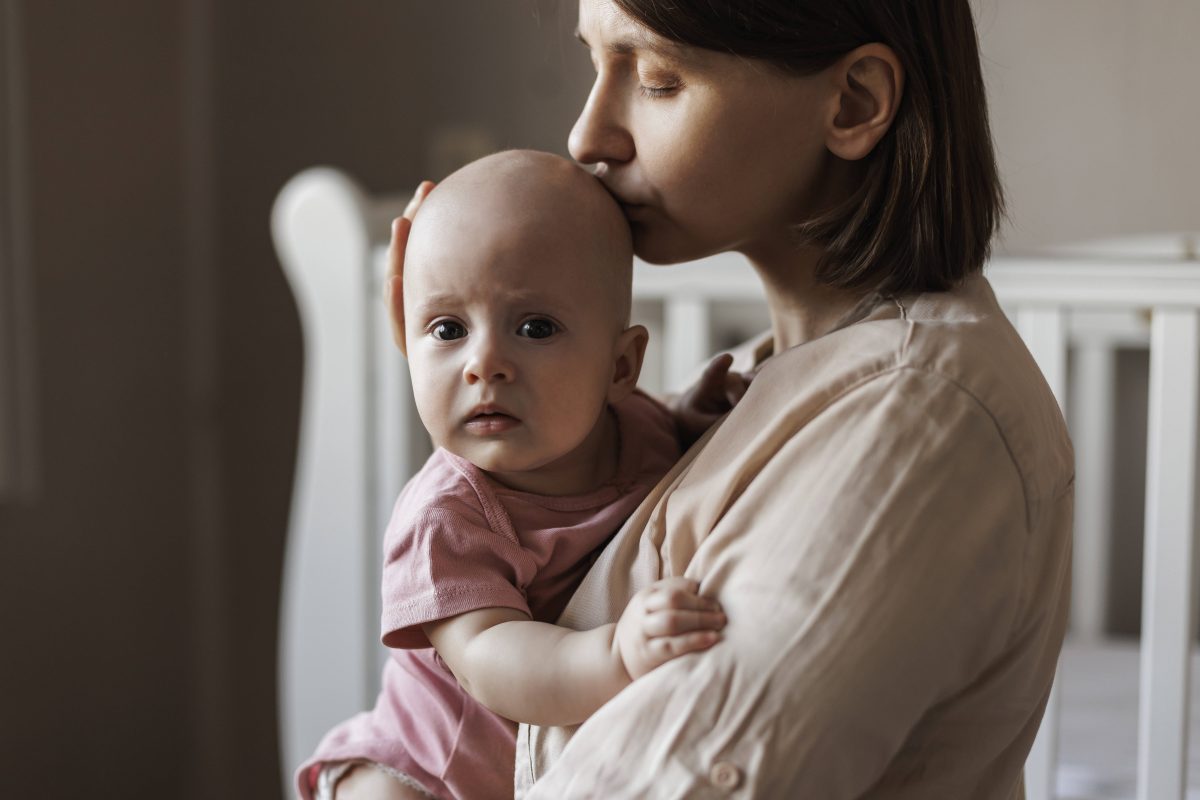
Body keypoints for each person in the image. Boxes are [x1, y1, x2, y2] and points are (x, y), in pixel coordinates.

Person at [379, 1, 1073, 797]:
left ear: (851, 104)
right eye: (594, 65)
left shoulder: (915, 418)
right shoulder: (750, 383)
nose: (587, 137)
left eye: (658, 79)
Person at [298, 150, 735, 800]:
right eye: (447, 328)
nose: (484, 364)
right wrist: (616, 656)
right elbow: (488, 657)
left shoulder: (644, 430)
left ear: (620, 370)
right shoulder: (447, 516)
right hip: (428, 771)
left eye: (534, 327)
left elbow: (684, 429)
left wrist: (717, 409)